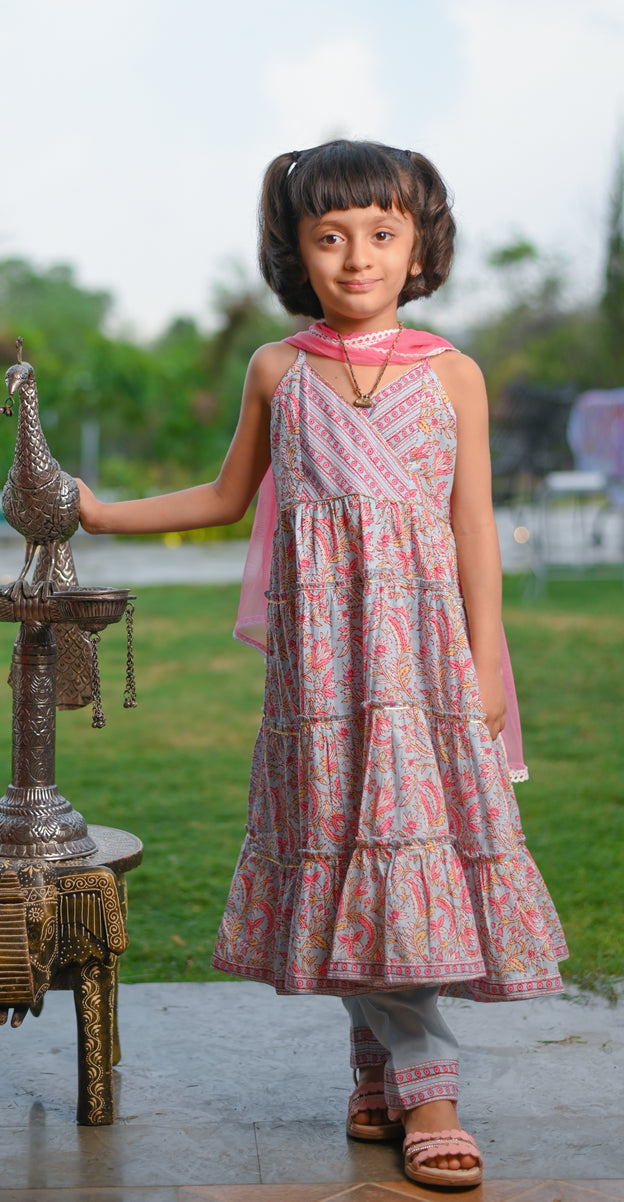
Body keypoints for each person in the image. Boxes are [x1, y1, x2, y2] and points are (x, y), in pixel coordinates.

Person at [75, 139, 567, 1189]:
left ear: (416, 245)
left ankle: (421, 1080)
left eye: (380, 235)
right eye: (329, 236)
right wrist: (100, 511)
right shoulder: (277, 369)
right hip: (323, 673)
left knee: (405, 853)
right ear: (295, 249)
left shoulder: (453, 375)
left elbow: (472, 528)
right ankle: (382, 1061)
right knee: (345, 849)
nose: (355, 258)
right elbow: (221, 497)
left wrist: (488, 664)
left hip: (423, 667)